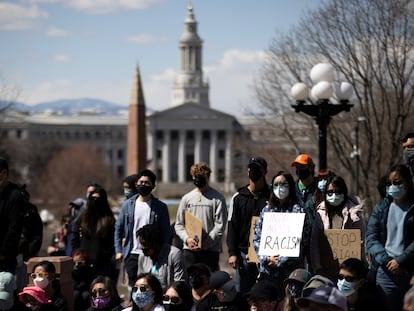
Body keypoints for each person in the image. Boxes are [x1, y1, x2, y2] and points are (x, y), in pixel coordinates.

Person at [366, 164, 414, 311]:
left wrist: (400, 261)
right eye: (389, 183)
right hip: (385, 272)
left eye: (397, 182)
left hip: (409, 270)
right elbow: (371, 238)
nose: (393, 186)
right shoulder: (380, 209)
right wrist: (388, 261)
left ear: (408, 183)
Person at [253, 172, 309, 298]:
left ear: (290, 186)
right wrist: (266, 258)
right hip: (268, 272)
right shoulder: (267, 210)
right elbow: (257, 238)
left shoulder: (298, 210)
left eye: (284, 184)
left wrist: (280, 260)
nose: (280, 188)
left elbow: (301, 241)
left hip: (290, 273)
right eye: (276, 184)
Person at [115, 169, 172, 287]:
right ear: (136, 184)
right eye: (141, 182)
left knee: (150, 286)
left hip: (151, 254)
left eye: (147, 183)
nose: (143, 185)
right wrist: (119, 251)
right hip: (132, 253)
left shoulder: (160, 207)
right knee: (133, 287)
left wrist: (163, 253)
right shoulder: (127, 205)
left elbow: (166, 232)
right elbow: (118, 228)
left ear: (153, 186)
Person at [227, 156, 270, 293]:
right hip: (244, 254)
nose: (253, 171)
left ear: (264, 172)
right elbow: (232, 226)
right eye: (251, 168)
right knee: (243, 294)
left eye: (257, 169)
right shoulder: (238, 197)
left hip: (267, 254)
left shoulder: (272, 196)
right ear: (247, 171)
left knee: (265, 293)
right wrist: (232, 253)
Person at [310, 175, 365, 281]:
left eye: (338, 192)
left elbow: (360, 242)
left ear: (344, 193)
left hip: (348, 272)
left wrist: (357, 268)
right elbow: (314, 242)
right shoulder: (320, 213)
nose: (334, 195)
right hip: (326, 270)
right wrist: (318, 267)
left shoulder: (354, 214)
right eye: (330, 192)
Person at [175, 162, 227, 272]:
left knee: (209, 283)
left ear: (207, 177)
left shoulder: (218, 199)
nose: (198, 179)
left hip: (210, 251)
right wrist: (187, 239)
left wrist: (206, 243)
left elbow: (220, 226)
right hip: (190, 250)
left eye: (201, 177)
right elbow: (179, 224)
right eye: (195, 177)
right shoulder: (187, 198)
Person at [72, 187, 117, 282]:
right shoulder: (83, 218)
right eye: (93, 198)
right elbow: (75, 236)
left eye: (98, 198)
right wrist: (77, 254)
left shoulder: (109, 220)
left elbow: (112, 242)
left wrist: (105, 256)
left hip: (101, 264)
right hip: (83, 263)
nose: (95, 201)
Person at [136, 224, 186, 290]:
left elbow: (179, 285)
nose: (142, 248)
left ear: (155, 243)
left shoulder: (174, 255)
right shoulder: (142, 257)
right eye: (141, 244)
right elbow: (139, 283)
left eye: (145, 245)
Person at [0, 158, 24, 274]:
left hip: (5, 258)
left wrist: (3, 253)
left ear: (5, 173)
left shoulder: (15, 196)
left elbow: (14, 228)